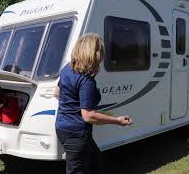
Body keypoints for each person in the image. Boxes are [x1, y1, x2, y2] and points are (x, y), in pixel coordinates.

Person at [54, 33, 133, 174]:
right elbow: (89, 116)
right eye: (100, 53)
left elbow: (57, 93)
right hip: (76, 133)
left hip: (63, 126)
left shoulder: (67, 69)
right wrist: (117, 120)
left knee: (95, 164)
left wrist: (72, 105)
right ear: (94, 54)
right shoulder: (86, 81)